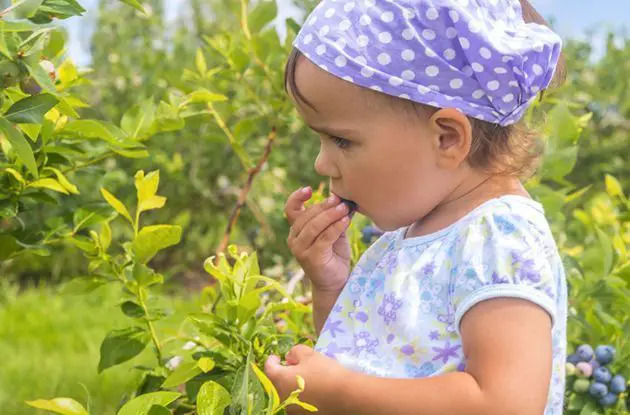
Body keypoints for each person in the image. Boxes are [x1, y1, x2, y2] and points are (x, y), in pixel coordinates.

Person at [264, 0, 568, 414]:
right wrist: (332, 285)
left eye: (342, 140)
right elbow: (370, 359)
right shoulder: (404, 239)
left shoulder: (498, 238)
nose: (321, 164)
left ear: (446, 137)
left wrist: (334, 391)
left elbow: (505, 403)